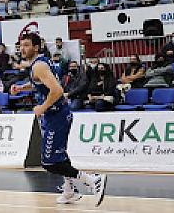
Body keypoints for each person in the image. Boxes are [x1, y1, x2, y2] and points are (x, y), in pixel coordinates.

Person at [10, 33, 106, 206]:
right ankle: (69, 190)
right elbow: (42, 83)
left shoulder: (38, 65)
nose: (22, 48)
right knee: (59, 155)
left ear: (36, 47)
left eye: (26, 45)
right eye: (21, 45)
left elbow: (57, 90)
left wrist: (41, 108)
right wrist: (22, 87)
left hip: (56, 116)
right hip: (58, 114)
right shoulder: (40, 63)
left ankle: (92, 180)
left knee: (49, 162)